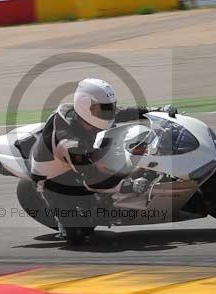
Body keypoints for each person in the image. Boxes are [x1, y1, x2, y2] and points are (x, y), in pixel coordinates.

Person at [28, 78, 174, 237]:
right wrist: (129, 185)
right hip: (55, 177)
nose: (109, 113)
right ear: (84, 105)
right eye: (103, 109)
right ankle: (63, 221)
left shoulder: (90, 115)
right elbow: (92, 177)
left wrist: (158, 111)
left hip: (84, 154)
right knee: (77, 234)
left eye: (109, 107)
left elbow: (123, 112)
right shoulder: (69, 143)